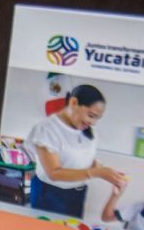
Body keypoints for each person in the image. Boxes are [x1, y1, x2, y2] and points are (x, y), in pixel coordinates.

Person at [22, 84, 126, 217]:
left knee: (70, 229)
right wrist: (97, 173)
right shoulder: (46, 130)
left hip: (77, 194)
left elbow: (82, 158)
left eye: (97, 118)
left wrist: (107, 172)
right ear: (73, 102)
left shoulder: (88, 131)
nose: (93, 122)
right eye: (91, 115)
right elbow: (54, 173)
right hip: (50, 194)